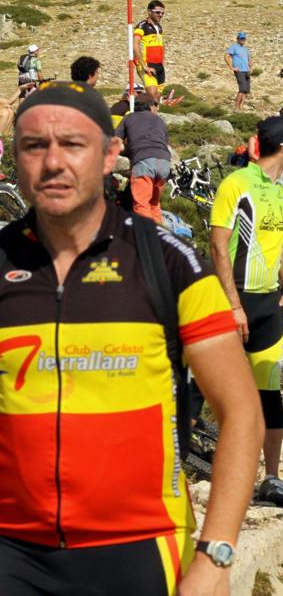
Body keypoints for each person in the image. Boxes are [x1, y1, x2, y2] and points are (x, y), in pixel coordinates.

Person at [0, 81, 263, 596]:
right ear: (15, 159)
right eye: (35, 146)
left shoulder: (168, 262)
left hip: (141, 546)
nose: (53, 162)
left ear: (110, 154)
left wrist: (216, 555)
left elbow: (242, 413)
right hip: (14, 551)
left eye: (73, 144)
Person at [210, 115, 283, 507]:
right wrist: (232, 305)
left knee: (269, 393)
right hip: (236, 299)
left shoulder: (278, 190)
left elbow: (282, 241)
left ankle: (272, 477)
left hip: (268, 303)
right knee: (219, 394)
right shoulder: (237, 183)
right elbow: (218, 245)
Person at [115, 93, 172, 223]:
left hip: (144, 163)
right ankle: (159, 238)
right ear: (151, 106)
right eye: (156, 105)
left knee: (142, 205)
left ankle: (146, 239)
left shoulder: (129, 118)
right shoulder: (159, 121)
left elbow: (117, 143)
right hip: (164, 164)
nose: (157, 108)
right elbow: (166, 147)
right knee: (154, 204)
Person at [134, 0, 167, 100]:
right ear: (149, 11)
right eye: (157, 12)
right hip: (147, 65)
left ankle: (152, 114)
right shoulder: (142, 26)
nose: (160, 15)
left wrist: (163, 59)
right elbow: (135, 44)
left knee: (157, 97)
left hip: (159, 65)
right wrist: (143, 65)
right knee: (152, 95)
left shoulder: (159, 27)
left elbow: (161, 44)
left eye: (162, 13)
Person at [224, 32, 252, 111]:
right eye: (241, 38)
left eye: (244, 38)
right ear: (238, 39)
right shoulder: (234, 47)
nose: (243, 40)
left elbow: (248, 59)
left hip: (246, 70)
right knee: (242, 88)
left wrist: (250, 63)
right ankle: (236, 108)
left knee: (246, 90)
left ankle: (241, 107)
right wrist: (231, 67)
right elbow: (226, 56)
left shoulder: (245, 49)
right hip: (239, 71)